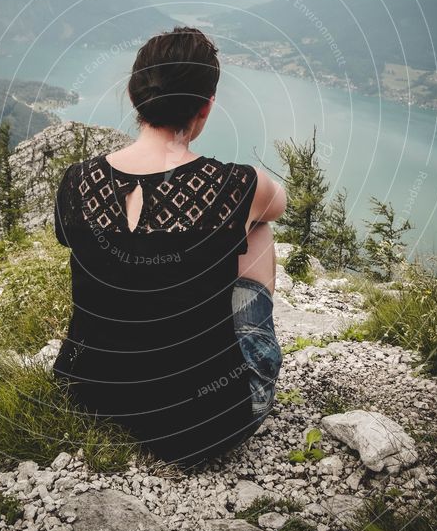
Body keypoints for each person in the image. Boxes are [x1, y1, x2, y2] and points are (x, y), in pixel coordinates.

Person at [53, 27, 287, 468]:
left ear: (135, 95)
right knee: (256, 226)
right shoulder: (238, 184)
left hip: (88, 392)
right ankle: (247, 352)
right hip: (202, 422)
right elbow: (279, 205)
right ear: (206, 107)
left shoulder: (75, 181)